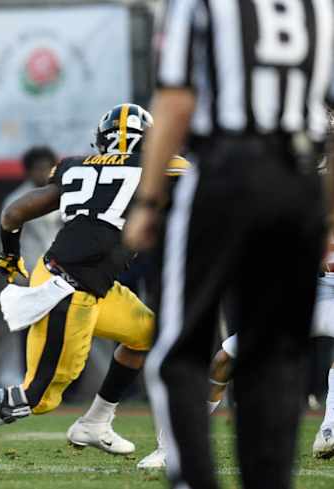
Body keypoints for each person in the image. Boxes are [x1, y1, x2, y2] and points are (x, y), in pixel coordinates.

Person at [0, 103, 188, 473]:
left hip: (75, 278)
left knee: (147, 334)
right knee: (37, 396)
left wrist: (8, 258)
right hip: (71, 289)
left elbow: (12, 214)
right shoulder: (164, 167)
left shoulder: (77, 165)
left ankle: (95, 421)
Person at [123, 2, 334, 488]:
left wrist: (151, 199)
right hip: (300, 181)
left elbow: (176, 98)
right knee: (276, 357)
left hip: (225, 171)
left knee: (178, 351)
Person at [0, 146, 63, 387]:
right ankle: (30, 381)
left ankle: (61, 385)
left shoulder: (63, 195)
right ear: (28, 171)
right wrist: (11, 274)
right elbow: (5, 244)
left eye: (48, 167)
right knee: (28, 332)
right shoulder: (15, 199)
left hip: (59, 274)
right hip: (29, 275)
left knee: (61, 330)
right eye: (39, 168)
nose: (44, 173)